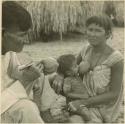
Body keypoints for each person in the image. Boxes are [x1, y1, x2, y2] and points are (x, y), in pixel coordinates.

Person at [52, 14, 123, 123]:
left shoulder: (116, 59)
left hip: (101, 106)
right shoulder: (86, 49)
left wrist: (82, 102)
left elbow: (114, 94)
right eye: (90, 29)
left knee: (75, 121)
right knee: (51, 79)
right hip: (81, 96)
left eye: (98, 30)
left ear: (108, 34)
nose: (92, 34)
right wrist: (60, 75)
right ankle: (46, 113)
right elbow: (70, 67)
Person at [1, 1, 44, 123]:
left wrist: (38, 67)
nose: (26, 41)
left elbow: (14, 71)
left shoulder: (8, 52)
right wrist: (25, 80)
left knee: (41, 78)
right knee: (26, 108)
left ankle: (47, 115)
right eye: (22, 35)